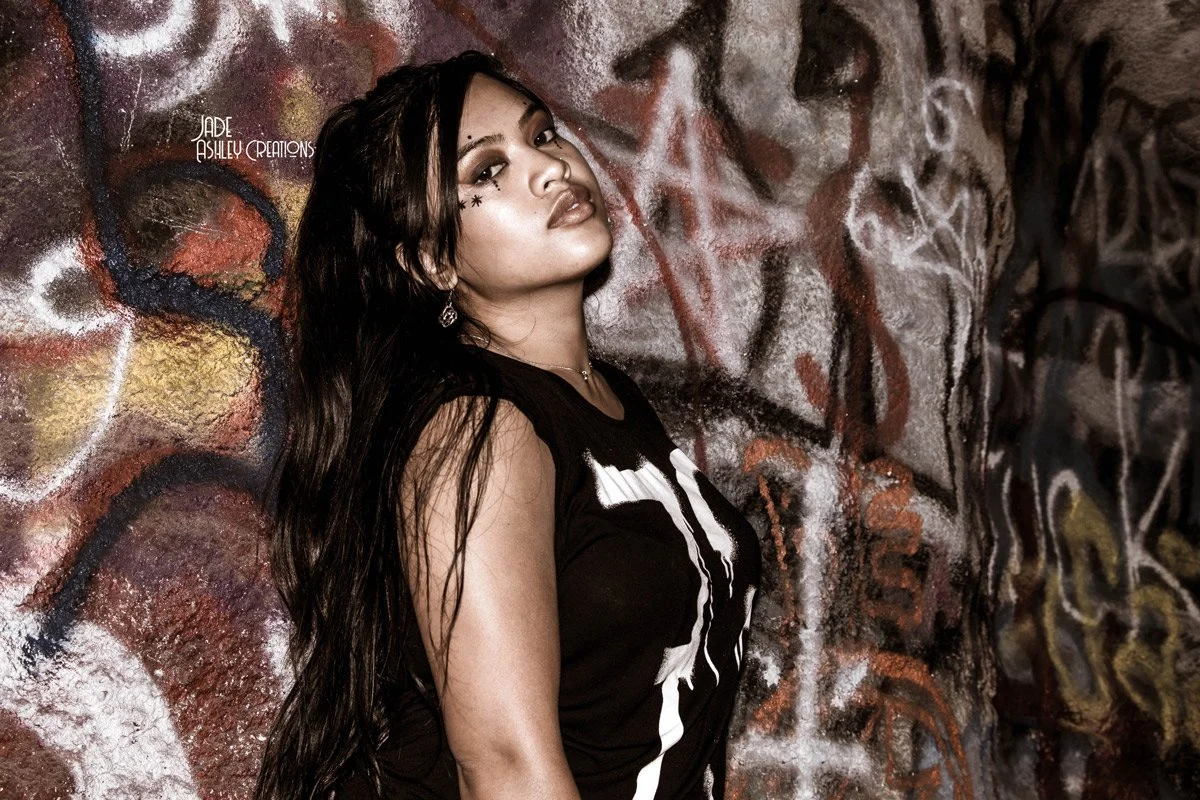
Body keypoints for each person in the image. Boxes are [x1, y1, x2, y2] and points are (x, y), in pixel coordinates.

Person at [254, 50, 761, 800]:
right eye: (486, 171)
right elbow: (506, 772)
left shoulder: (605, 398)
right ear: (433, 263)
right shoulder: (478, 431)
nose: (551, 168)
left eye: (544, 134)